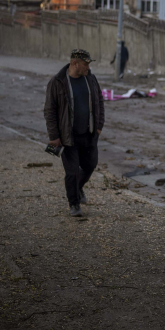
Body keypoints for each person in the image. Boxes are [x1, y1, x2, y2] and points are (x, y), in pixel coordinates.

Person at [43, 49, 105, 217]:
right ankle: (74, 204)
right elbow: (50, 111)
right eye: (85, 64)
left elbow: (99, 101)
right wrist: (54, 137)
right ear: (74, 63)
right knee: (72, 172)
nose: (88, 67)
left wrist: (99, 126)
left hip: (89, 134)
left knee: (90, 166)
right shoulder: (58, 82)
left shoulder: (90, 79)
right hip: (67, 137)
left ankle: (77, 189)